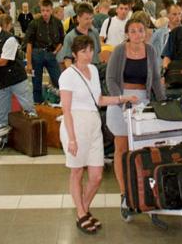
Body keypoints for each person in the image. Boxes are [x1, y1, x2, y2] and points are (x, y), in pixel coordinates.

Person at [59, 35, 138, 233]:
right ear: (75, 54)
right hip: (75, 125)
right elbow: (66, 109)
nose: (88, 55)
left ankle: (83, 209)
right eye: (83, 51)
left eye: (90, 50)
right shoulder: (68, 75)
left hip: (94, 124)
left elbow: (100, 99)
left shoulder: (94, 70)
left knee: (96, 176)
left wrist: (123, 98)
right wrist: (72, 138)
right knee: (77, 172)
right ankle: (82, 213)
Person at [106, 19, 166, 195]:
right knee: (121, 147)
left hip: (142, 102)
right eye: (133, 31)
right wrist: (123, 100)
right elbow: (110, 79)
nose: (137, 34)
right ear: (127, 34)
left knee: (142, 149)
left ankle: (141, 190)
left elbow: (155, 79)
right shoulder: (119, 51)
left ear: (146, 32)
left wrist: (162, 101)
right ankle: (125, 192)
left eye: (140, 30)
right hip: (120, 101)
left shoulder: (151, 50)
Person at [25, 0, 64, 104]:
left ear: (51, 10)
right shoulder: (34, 23)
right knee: (36, 83)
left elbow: (61, 39)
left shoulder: (57, 23)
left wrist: (56, 51)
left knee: (59, 80)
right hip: (36, 54)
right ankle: (37, 106)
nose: (45, 13)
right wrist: (29, 63)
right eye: (43, 10)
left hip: (51, 54)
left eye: (47, 10)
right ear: (40, 10)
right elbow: (29, 44)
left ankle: (62, 104)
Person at [150, 4, 181, 68]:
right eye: (174, 14)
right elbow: (151, 51)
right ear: (168, 15)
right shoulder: (159, 33)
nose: (178, 17)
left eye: (179, 14)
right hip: (161, 68)